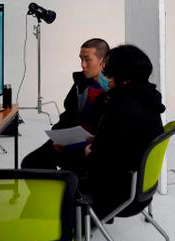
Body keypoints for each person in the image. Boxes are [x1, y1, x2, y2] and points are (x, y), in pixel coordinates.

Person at [83, 44, 165, 219]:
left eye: (109, 73)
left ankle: (74, 232)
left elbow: (100, 156)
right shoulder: (149, 98)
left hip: (118, 194)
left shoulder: (120, 106)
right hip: (142, 188)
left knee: (68, 164)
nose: (105, 77)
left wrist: (91, 151)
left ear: (122, 78)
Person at [21, 38, 110, 173]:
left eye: (87, 59)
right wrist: (57, 135)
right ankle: (54, 193)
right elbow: (68, 114)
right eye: (81, 59)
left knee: (72, 169)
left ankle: (69, 191)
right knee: (31, 162)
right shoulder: (80, 83)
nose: (83, 65)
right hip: (70, 138)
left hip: (93, 145)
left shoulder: (112, 90)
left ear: (103, 61)